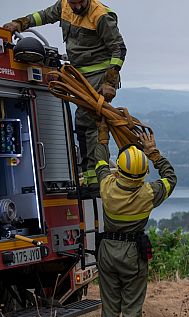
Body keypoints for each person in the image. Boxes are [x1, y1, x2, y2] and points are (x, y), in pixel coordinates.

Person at [4, 0, 127, 198]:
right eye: (73, 3)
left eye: (80, 3)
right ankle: (91, 180)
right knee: (83, 125)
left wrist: (110, 81)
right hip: (79, 76)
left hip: (99, 75)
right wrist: (20, 23)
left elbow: (119, 49)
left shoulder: (100, 14)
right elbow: (42, 16)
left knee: (88, 123)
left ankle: (96, 182)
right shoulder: (64, 6)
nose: (77, 7)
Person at [95, 126, 176, 317]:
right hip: (133, 253)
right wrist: (154, 153)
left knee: (109, 311)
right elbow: (170, 178)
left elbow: (99, 161)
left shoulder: (107, 186)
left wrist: (102, 135)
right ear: (142, 174)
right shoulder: (149, 193)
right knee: (131, 311)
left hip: (107, 251)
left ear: (118, 170)